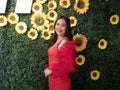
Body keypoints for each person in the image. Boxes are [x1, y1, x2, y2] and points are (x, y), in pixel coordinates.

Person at [44, 16, 77, 90]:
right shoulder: (57, 41)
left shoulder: (65, 42)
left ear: (67, 28)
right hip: (52, 80)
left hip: (61, 81)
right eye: (57, 24)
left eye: (63, 25)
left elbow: (68, 65)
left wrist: (51, 70)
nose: (59, 27)